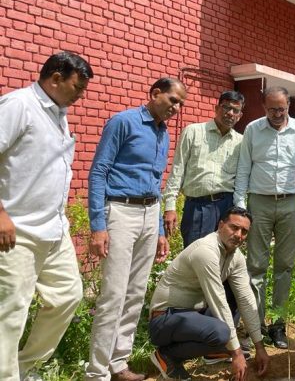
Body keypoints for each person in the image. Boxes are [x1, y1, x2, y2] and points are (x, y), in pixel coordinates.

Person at [0, 51, 93, 381]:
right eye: (77, 87)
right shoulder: (18, 106)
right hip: (17, 231)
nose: (80, 96)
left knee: (69, 296)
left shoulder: (58, 113)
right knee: (11, 313)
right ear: (55, 78)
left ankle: (25, 368)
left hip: (54, 229)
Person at [86, 77, 187, 381]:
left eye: (180, 103)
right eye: (173, 100)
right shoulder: (123, 122)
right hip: (120, 211)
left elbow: (156, 183)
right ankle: (97, 373)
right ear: (155, 93)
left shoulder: (163, 133)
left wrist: (158, 229)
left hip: (149, 212)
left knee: (135, 294)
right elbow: (98, 171)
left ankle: (119, 364)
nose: (177, 108)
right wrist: (98, 225)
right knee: (113, 295)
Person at [149, 207, 270, 381]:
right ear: (221, 225)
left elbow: (246, 299)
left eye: (244, 231)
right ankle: (167, 356)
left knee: (237, 299)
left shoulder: (236, 256)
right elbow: (218, 302)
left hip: (192, 315)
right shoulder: (205, 251)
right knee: (221, 332)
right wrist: (236, 353)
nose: (238, 235)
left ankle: (213, 352)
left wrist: (260, 348)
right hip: (165, 320)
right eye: (234, 227)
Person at [233, 86, 295, 349]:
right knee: (255, 266)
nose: (277, 114)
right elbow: (244, 168)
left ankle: (278, 326)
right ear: (264, 106)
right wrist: (240, 206)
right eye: (272, 109)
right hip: (259, 203)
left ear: (289, 104)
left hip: (290, 202)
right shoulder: (253, 130)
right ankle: (256, 326)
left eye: (282, 108)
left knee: (284, 267)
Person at [162, 90, 245, 247]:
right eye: (226, 107)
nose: (230, 113)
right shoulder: (193, 131)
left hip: (227, 207)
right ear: (216, 108)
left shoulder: (241, 142)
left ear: (240, 115)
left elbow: (242, 177)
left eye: (236, 110)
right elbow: (177, 170)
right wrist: (170, 207)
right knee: (196, 256)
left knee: (225, 258)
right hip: (198, 207)